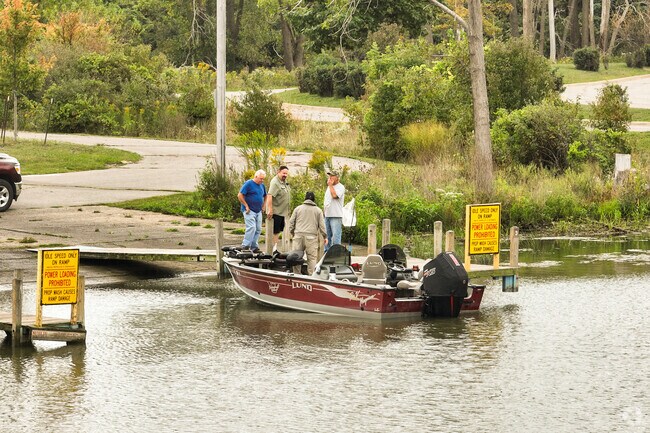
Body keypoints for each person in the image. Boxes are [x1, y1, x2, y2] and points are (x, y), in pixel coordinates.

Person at [288, 191, 327, 275]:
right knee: (312, 259)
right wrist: (325, 236)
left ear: (305, 199)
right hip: (311, 238)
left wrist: (292, 233)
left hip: (298, 236)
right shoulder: (318, 210)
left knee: (296, 258)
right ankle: (311, 278)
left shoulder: (297, 209)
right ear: (314, 200)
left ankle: (296, 276)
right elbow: (322, 226)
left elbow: (291, 222)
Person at [237, 169, 267, 252]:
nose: (262, 180)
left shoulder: (262, 185)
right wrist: (246, 205)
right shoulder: (248, 184)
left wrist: (264, 206)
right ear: (256, 176)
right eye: (261, 178)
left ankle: (254, 246)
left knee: (258, 229)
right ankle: (245, 245)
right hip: (249, 210)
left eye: (263, 179)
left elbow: (265, 195)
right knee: (251, 227)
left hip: (258, 210)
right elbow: (240, 195)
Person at [265, 165, 291, 252]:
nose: (285, 175)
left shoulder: (283, 182)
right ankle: (272, 249)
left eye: (286, 173)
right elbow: (269, 195)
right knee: (275, 231)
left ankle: (275, 247)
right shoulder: (275, 182)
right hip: (276, 211)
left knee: (279, 230)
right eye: (283, 173)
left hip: (282, 212)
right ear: (278, 172)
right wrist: (270, 209)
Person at [323, 171, 345, 251]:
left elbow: (335, 196)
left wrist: (330, 185)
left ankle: (336, 255)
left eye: (332, 176)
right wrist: (324, 212)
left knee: (336, 238)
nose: (330, 177)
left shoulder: (341, 187)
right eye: (329, 176)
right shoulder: (329, 187)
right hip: (327, 215)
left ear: (337, 177)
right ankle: (326, 255)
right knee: (326, 238)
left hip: (336, 216)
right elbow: (326, 201)